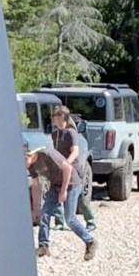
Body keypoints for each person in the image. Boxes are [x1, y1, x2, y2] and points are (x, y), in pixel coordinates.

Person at [36, 107, 97, 261]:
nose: (52, 117)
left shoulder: (71, 133)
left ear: (62, 116)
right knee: (45, 212)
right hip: (58, 180)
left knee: (70, 218)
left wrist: (64, 165)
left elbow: (75, 152)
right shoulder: (55, 134)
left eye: (55, 115)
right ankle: (44, 245)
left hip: (71, 179)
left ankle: (90, 241)